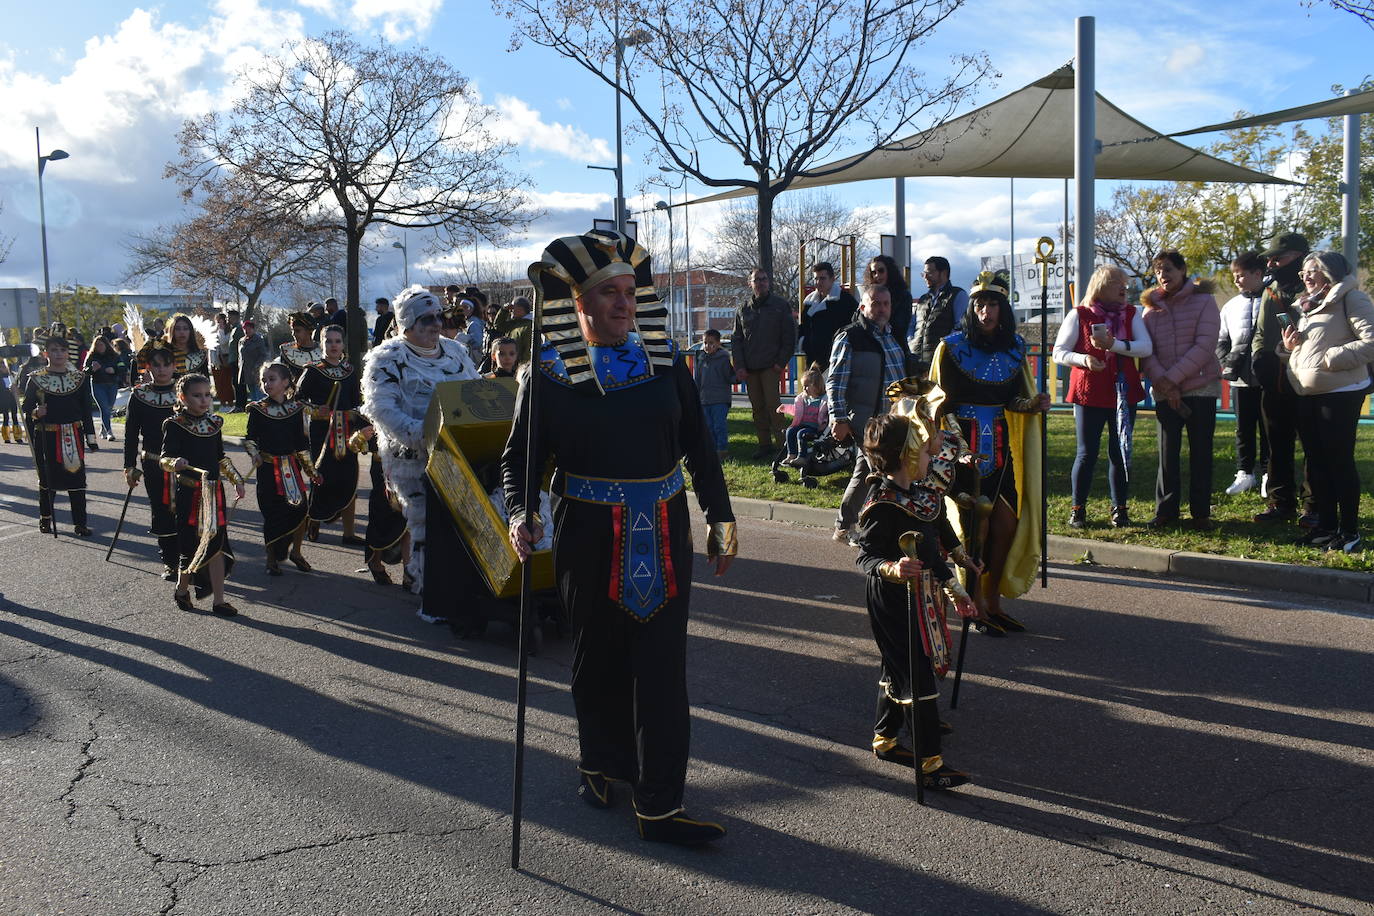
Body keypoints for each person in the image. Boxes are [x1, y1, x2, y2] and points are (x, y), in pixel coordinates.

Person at [504, 229, 737, 847]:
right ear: (579, 302)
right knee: (597, 658)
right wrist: (519, 512)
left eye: (631, 292)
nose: (624, 303)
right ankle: (601, 765)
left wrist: (721, 514)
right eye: (609, 293)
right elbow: (520, 461)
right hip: (588, 535)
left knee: (663, 669)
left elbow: (700, 447)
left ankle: (660, 803)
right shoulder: (547, 374)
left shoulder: (667, 365)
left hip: (664, 531)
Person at [854, 411, 974, 788]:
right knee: (917, 676)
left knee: (898, 668)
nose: (930, 456)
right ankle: (930, 763)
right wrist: (892, 567)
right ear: (905, 456)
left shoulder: (923, 492)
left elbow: (937, 527)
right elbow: (865, 557)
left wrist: (960, 573)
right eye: (923, 450)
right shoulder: (882, 503)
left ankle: (885, 740)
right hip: (892, 598)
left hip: (923, 592)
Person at [929, 271, 1048, 634]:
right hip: (963, 450)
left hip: (999, 448)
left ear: (1002, 309)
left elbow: (1010, 398)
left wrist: (1031, 404)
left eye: (992, 304)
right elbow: (938, 403)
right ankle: (973, 603)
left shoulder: (1013, 348)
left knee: (1005, 526)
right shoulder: (950, 347)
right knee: (973, 531)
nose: (985, 310)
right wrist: (958, 446)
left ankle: (993, 602)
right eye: (980, 304)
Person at [362, 284, 481, 620]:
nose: (436, 324)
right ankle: (433, 597)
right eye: (426, 318)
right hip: (412, 459)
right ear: (406, 324)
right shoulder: (387, 358)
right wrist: (421, 434)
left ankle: (461, 586)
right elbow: (381, 408)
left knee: (464, 520)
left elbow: (475, 389)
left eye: (438, 316)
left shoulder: (455, 351)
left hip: (458, 452)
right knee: (426, 522)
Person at [1281, 251, 1374, 553]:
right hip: (1308, 394)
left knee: (1339, 462)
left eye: (1313, 270)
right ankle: (1325, 527)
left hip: (1342, 393)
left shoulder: (1352, 298)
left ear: (1330, 271)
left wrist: (1330, 358)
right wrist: (1288, 348)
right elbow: (1305, 350)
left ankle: (1349, 532)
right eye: (1303, 273)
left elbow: (1371, 342)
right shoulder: (1305, 306)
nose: (1306, 276)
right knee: (1316, 465)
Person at [1053, 265, 1153, 529]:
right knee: (1086, 453)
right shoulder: (1080, 314)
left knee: (1120, 451)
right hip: (1089, 392)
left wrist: (1115, 346)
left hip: (1123, 392)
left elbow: (1145, 348)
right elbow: (1059, 352)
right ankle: (1078, 510)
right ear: (1100, 286)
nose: (1124, 288)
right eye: (1116, 283)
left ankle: (1120, 509)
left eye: (1125, 284)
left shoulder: (1132, 314)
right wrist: (1084, 359)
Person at [1140, 250, 1222, 531]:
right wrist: (1163, 382)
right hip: (1164, 390)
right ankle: (1166, 510)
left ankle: (1200, 513)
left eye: (1169, 269)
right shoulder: (1150, 309)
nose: (1163, 276)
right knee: (1167, 452)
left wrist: (1173, 379)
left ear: (1183, 269)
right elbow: (1146, 350)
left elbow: (1204, 345)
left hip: (1200, 387)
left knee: (1201, 452)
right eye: (1159, 271)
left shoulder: (1204, 302)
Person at [827, 285, 908, 545]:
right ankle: (873, 530)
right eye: (876, 303)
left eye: (886, 303)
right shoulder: (850, 337)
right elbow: (835, 382)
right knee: (881, 474)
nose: (882, 309)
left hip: (893, 421)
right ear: (863, 307)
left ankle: (845, 525)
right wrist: (838, 418)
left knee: (866, 473)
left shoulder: (893, 337)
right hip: (866, 421)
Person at [161, 373, 245, 616]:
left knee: (217, 546)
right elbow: (164, 458)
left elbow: (220, 457)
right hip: (190, 495)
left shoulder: (214, 424)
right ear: (182, 397)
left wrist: (236, 479)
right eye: (197, 396)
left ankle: (219, 601)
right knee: (192, 547)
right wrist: (174, 462)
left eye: (207, 395)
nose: (204, 400)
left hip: (214, 493)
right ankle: (182, 588)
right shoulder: (175, 424)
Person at [1251, 232, 1314, 527]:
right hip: (1275, 378)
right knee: (1276, 443)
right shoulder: (1271, 288)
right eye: (1270, 258)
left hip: (1310, 377)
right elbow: (1262, 331)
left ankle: (1313, 506)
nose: (1272, 263)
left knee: (1314, 444)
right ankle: (1280, 502)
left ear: (1300, 256)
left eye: (1279, 257)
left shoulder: (1318, 286)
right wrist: (1258, 358)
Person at [244, 363, 318, 575]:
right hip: (267, 469)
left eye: (272, 379)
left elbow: (302, 444)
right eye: (264, 380)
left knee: (300, 509)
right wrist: (254, 453)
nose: (267, 383)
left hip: (291, 470)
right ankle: (271, 558)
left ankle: (296, 551)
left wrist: (312, 471)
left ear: (285, 382)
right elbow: (250, 439)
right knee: (272, 513)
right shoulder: (258, 410)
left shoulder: (296, 409)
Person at [298, 326, 368, 545]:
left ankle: (348, 533)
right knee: (322, 479)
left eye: (337, 341)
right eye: (328, 341)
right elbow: (297, 400)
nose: (334, 345)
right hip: (322, 433)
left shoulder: (350, 370)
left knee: (349, 479)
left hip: (347, 434)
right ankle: (315, 519)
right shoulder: (312, 370)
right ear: (322, 344)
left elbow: (358, 401)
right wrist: (315, 410)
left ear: (343, 344)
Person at [22, 335, 97, 535]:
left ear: (68, 353)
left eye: (63, 350)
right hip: (47, 436)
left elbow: (86, 410)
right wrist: (37, 412)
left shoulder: (79, 378)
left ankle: (80, 523)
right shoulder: (36, 379)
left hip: (74, 434)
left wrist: (91, 437)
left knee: (77, 480)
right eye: (54, 350)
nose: (59, 354)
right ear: (46, 353)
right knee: (47, 480)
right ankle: (45, 518)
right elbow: (26, 407)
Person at [123, 347, 180, 580]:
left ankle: (190, 557)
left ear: (174, 366)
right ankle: (169, 561)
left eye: (167, 364)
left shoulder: (187, 391)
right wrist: (129, 465)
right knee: (161, 508)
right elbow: (130, 433)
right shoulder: (139, 395)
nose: (162, 369)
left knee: (188, 510)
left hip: (185, 463)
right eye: (156, 365)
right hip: (153, 463)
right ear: (148, 367)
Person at [1217, 251, 1269, 497]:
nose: (1237, 280)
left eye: (1241, 275)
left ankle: (1270, 474)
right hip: (1240, 379)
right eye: (1235, 276)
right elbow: (1221, 340)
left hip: (1270, 379)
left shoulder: (1275, 300)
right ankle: (1244, 473)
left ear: (1258, 273)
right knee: (1243, 428)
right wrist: (1226, 362)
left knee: (1270, 428)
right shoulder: (1230, 306)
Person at [731, 268, 797, 459]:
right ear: (749, 283)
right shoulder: (743, 308)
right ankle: (764, 445)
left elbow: (789, 337)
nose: (760, 283)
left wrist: (780, 363)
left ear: (768, 282)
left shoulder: (780, 305)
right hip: (750, 368)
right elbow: (736, 339)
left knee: (774, 408)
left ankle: (784, 447)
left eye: (764, 279)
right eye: (756, 280)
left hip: (771, 366)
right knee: (757, 408)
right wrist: (739, 366)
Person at [909, 256, 969, 377]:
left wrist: (942, 351)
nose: (925, 277)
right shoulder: (923, 299)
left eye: (929, 272)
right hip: (916, 364)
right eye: (924, 273)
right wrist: (911, 342)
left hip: (941, 364)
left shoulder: (958, 295)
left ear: (944, 273)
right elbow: (912, 326)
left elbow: (960, 328)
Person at [798, 261, 858, 371]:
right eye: (816, 278)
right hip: (812, 359)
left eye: (822, 278)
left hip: (836, 358)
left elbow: (855, 325)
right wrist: (803, 342)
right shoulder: (809, 302)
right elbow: (804, 326)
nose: (818, 282)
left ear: (832, 279)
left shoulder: (845, 300)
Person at [694, 328, 734, 461]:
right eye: (705, 343)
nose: (707, 346)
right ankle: (711, 449)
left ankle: (722, 449)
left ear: (718, 344)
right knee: (708, 426)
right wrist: (696, 394)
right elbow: (698, 379)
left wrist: (738, 376)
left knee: (719, 425)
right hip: (705, 399)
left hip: (720, 399)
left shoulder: (723, 359)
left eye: (711, 343)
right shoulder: (701, 359)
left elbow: (729, 376)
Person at [780, 364, 828, 466]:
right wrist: (785, 408)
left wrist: (824, 424)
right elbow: (797, 410)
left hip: (815, 427)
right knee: (790, 430)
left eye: (807, 386)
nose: (804, 388)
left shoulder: (824, 400)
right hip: (802, 424)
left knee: (801, 434)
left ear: (816, 386)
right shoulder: (803, 399)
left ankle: (802, 457)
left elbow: (827, 414)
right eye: (803, 386)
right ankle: (791, 454)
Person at [866, 255, 915, 351]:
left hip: (895, 347)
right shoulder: (868, 295)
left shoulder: (903, 295)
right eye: (873, 272)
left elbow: (900, 327)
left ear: (890, 271)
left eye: (881, 271)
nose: (877, 276)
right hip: (871, 346)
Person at [137, 314, 207, 378]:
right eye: (177, 329)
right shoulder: (161, 350)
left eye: (185, 328)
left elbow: (206, 381)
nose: (182, 332)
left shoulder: (200, 355)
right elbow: (140, 358)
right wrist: (145, 373)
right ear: (172, 331)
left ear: (190, 331)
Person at [84, 336, 121, 441]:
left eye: (101, 345)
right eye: (97, 345)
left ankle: (103, 428)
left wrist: (114, 369)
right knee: (104, 408)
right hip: (98, 384)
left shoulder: (114, 356)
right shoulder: (91, 356)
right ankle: (109, 432)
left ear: (106, 345)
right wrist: (92, 369)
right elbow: (84, 370)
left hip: (112, 385)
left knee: (108, 409)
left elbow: (122, 367)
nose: (99, 347)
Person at [279, 312, 323, 381]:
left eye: (297, 330)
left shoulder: (323, 350)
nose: (293, 334)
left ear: (309, 331)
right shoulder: (287, 352)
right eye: (292, 330)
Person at [236, 320, 269, 406]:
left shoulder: (258, 340)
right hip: (245, 370)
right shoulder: (241, 341)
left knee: (258, 390)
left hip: (256, 370)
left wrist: (257, 366)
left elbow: (263, 355)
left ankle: (262, 408)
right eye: (245, 329)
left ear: (253, 329)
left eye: (249, 329)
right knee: (251, 391)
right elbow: (240, 356)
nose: (247, 331)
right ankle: (254, 408)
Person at [210, 312, 236, 407]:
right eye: (217, 321)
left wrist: (220, 330)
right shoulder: (214, 331)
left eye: (220, 321)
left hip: (225, 359)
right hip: (216, 360)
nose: (218, 324)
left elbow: (224, 343)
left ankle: (229, 401)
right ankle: (222, 402)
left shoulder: (228, 331)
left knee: (226, 382)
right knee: (218, 383)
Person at [0, 356, 21, 444]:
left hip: (12, 398)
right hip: (3, 399)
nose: (4, 368)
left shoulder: (12, 375)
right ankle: (6, 437)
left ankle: (17, 436)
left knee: (15, 416)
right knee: (6, 417)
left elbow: (17, 386)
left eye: (5, 366)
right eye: (2, 367)